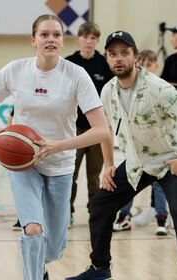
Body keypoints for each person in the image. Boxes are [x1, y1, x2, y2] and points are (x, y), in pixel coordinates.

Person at [0, 14, 110, 280]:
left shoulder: (76, 75)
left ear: (62, 41)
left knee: (53, 248)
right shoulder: (16, 69)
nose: (51, 39)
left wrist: (58, 146)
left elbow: (102, 130)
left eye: (56, 34)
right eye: (44, 34)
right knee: (32, 230)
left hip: (61, 164)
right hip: (23, 164)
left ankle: (40, 266)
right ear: (34, 41)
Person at [66, 30, 177, 280]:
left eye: (125, 53)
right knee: (101, 205)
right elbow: (107, 128)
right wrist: (109, 165)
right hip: (138, 163)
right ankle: (100, 269)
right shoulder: (108, 90)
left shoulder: (157, 88)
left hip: (170, 160)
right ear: (107, 58)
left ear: (135, 57)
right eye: (113, 54)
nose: (118, 58)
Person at [113, 49, 170, 236]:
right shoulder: (131, 91)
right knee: (131, 181)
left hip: (159, 149)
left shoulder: (162, 89)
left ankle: (161, 218)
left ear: (156, 67)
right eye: (142, 65)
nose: (145, 68)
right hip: (137, 149)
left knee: (158, 184)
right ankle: (124, 215)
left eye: (149, 65)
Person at [65, 21, 114, 228]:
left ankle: (95, 213)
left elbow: (113, 93)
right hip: (73, 129)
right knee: (70, 174)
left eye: (93, 38)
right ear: (79, 39)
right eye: (85, 37)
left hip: (97, 129)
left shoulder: (104, 64)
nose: (89, 41)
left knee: (94, 176)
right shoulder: (68, 63)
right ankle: (67, 213)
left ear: (97, 41)